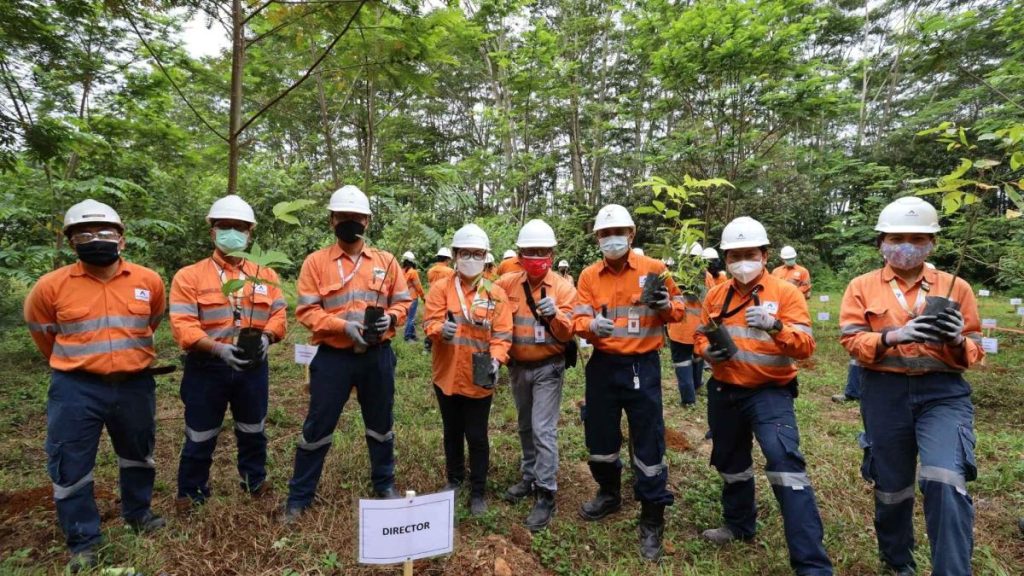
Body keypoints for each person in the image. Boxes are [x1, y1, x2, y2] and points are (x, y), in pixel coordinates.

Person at [840, 196, 983, 576]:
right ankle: (897, 560)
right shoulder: (861, 287)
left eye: (918, 239)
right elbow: (851, 340)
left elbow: (975, 349)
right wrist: (891, 336)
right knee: (891, 485)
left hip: (943, 393)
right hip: (884, 392)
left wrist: (956, 340)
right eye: (897, 237)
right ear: (881, 242)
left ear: (932, 243)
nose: (906, 246)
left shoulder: (956, 287)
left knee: (945, 479)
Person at [24, 199, 167, 571]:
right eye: (84, 234)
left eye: (105, 232)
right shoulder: (50, 287)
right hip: (76, 387)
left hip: (134, 384)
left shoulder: (147, 280)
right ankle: (84, 539)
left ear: (121, 238)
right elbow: (44, 335)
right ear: (71, 242)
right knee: (71, 464)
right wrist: (80, 363)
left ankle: (139, 514)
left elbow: (152, 321)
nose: (96, 239)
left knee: (138, 453)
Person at [694, 216, 833, 576]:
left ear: (765, 254)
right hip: (725, 390)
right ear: (725, 259)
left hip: (770, 392)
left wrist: (776, 327)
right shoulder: (716, 295)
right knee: (731, 462)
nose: (742, 261)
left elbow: (805, 347)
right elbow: (699, 336)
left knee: (785, 465)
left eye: (749, 253)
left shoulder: (785, 293)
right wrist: (707, 353)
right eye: (734, 255)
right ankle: (739, 523)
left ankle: (812, 564)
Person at [282, 185, 413, 522]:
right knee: (317, 426)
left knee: (381, 424)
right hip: (333, 357)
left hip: (376, 356)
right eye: (343, 217)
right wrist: (342, 326)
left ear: (367, 221)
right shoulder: (316, 263)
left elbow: (403, 301)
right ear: (332, 220)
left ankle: (384, 484)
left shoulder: (387, 261)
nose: (349, 222)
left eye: (356, 217)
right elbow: (307, 311)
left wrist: (393, 318)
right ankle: (299, 497)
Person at [572, 204, 686, 562]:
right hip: (603, 365)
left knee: (648, 439)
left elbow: (680, 310)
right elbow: (577, 314)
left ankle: (652, 515)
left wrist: (668, 304)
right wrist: (589, 325)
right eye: (604, 234)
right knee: (600, 437)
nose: (611, 239)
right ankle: (609, 492)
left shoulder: (655, 269)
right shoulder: (589, 275)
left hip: (643, 365)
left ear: (631, 235)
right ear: (597, 238)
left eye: (617, 232)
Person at [169, 195, 287, 510]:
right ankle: (191, 493)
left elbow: (279, 316)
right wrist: (218, 349)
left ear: (250, 234)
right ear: (212, 232)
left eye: (240, 228)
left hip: (252, 366)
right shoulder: (189, 277)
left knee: (253, 429)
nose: (232, 233)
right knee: (200, 433)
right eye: (225, 227)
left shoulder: (266, 275)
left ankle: (254, 481)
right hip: (207, 367)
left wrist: (266, 337)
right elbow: (183, 325)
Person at [424, 224, 513, 516]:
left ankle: (478, 491)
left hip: (479, 376)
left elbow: (502, 335)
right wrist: (440, 329)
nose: (470, 258)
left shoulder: (495, 293)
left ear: (486, 257)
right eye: (465, 253)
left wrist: (497, 359)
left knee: (477, 435)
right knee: (452, 432)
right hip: (447, 373)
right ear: (455, 255)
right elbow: (429, 323)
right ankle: (454, 480)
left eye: (477, 254)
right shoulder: (440, 288)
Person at [495, 219, 577, 532]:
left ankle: (546, 491)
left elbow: (568, 331)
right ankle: (529, 476)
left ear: (552, 254)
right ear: (519, 254)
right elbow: (484, 294)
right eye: (530, 251)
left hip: (548, 368)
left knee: (543, 429)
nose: (536, 257)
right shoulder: (506, 283)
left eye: (542, 251)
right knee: (526, 425)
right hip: (518, 367)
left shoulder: (564, 287)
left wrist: (555, 313)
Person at [667, 242, 705, 406]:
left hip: (680, 329)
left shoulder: (675, 277)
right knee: (697, 358)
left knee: (682, 362)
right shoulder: (707, 276)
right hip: (700, 329)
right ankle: (696, 385)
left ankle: (689, 400)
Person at [401, 251, 425, 341]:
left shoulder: (401, 271)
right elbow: (418, 286)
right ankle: (407, 336)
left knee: (410, 317)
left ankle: (412, 335)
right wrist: (423, 296)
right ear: (412, 261)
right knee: (411, 318)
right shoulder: (413, 272)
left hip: (403, 297)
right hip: (412, 297)